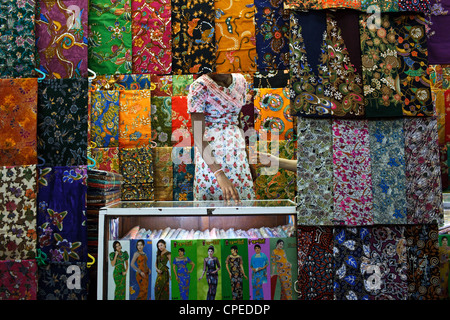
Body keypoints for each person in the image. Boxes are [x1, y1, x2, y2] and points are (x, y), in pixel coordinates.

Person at [187, 73, 255, 202]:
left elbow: (237, 122)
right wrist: (219, 174)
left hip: (237, 153)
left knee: (241, 201)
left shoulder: (240, 81)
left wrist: (248, 159)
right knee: (213, 206)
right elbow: (198, 136)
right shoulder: (199, 86)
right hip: (211, 157)